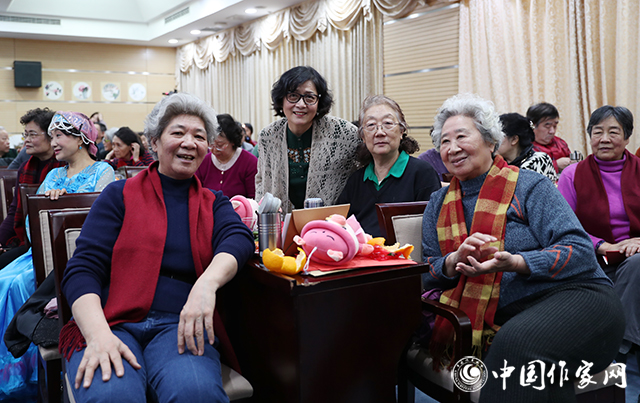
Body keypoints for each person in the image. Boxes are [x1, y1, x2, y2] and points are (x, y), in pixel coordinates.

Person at [422, 93, 624, 402]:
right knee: (527, 362)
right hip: (514, 315)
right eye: (444, 142)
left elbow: (579, 250)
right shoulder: (438, 204)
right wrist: (452, 260)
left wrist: (517, 262)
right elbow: (427, 271)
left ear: (491, 141)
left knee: (514, 346)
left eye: (461, 136)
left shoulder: (529, 185)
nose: (452, 148)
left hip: (578, 297)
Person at [59, 93, 255, 403]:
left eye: (199, 136)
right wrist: (97, 335)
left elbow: (238, 238)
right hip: (112, 320)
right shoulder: (118, 195)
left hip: (180, 323)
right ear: (154, 141)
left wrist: (206, 284)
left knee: (196, 394)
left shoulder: (213, 202)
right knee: (113, 395)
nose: (189, 143)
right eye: (178, 132)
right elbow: (83, 269)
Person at [0, 111, 114, 401]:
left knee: (17, 284)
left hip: (78, 258)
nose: (53, 143)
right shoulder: (53, 175)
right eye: (51, 136)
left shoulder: (103, 172)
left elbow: (103, 221)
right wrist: (47, 208)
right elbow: (31, 224)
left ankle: (27, 374)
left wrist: (65, 204)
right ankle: (10, 369)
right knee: (3, 279)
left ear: (81, 138)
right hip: (41, 255)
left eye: (59, 136)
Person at [557, 105, 640, 372]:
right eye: (597, 132)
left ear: (627, 137)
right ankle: (624, 351)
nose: (604, 139)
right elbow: (564, 226)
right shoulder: (572, 175)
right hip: (592, 257)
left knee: (637, 264)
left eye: (613, 132)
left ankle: (617, 346)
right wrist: (603, 245)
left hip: (636, 255)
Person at [255, 66, 359, 212]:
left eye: (309, 97)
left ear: (319, 101)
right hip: (281, 221)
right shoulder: (268, 136)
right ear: (281, 99)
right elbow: (262, 180)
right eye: (293, 96)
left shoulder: (344, 134)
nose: (301, 104)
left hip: (333, 221)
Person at [337, 95, 440, 237]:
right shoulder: (355, 180)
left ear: (402, 131)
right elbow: (341, 227)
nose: (379, 132)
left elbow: (432, 230)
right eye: (371, 125)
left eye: (387, 123)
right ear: (363, 136)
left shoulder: (422, 173)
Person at [0, 108, 67, 268]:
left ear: (51, 136)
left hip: (52, 242)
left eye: (32, 135)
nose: (27, 140)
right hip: (25, 238)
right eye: (26, 135)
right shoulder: (25, 168)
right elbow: (14, 211)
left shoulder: (64, 167)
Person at [195, 114, 258, 198]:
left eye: (220, 145)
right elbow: (196, 193)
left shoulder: (250, 162)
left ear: (233, 141)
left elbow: (253, 198)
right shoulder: (203, 162)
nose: (214, 149)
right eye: (211, 144)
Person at [497, 113, 557, 182]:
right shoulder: (496, 162)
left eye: (498, 136)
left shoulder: (538, 161)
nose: (492, 142)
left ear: (514, 139)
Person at [526, 102, 576, 173]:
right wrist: (555, 165)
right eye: (547, 126)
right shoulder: (525, 148)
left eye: (555, 126)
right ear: (533, 126)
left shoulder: (560, 143)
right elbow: (527, 173)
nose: (552, 131)